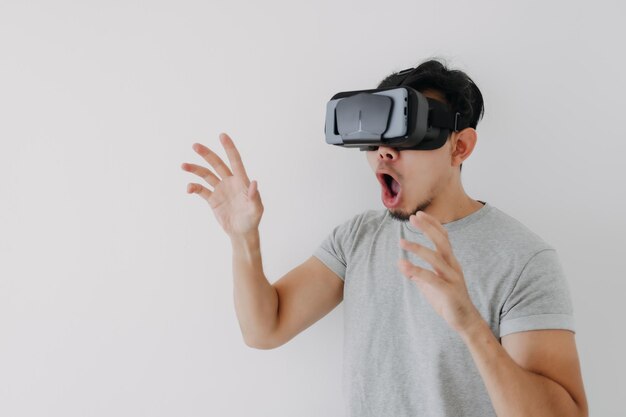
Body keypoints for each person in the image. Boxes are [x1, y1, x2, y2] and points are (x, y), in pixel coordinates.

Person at [180, 58, 589, 417]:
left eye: (406, 135)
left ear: (459, 146)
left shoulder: (523, 259)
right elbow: (264, 329)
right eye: (376, 137)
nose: (384, 152)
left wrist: (470, 325)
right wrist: (243, 240)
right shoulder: (357, 238)